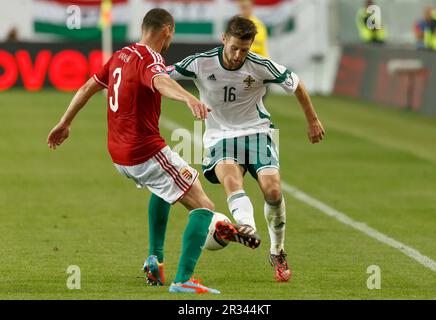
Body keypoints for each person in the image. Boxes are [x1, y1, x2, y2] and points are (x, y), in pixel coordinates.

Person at [46, 8, 256, 294]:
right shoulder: (151, 58)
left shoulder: (120, 55)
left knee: (164, 188)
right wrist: (188, 98)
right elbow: (160, 81)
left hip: (118, 154)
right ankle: (183, 280)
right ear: (167, 30)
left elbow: (86, 87)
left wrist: (64, 122)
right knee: (204, 207)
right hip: (143, 151)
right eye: (173, 33)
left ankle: (154, 259)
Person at [168, 16, 325, 282]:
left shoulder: (260, 65)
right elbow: (161, 76)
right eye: (235, 48)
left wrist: (312, 119)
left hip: (257, 131)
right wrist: (186, 97)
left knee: (273, 190)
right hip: (219, 136)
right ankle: (247, 227)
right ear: (224, 40)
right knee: (231, 177)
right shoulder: (200, 62)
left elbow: (296, 84)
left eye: (245, 49)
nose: (239, 55)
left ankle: (277, 251)